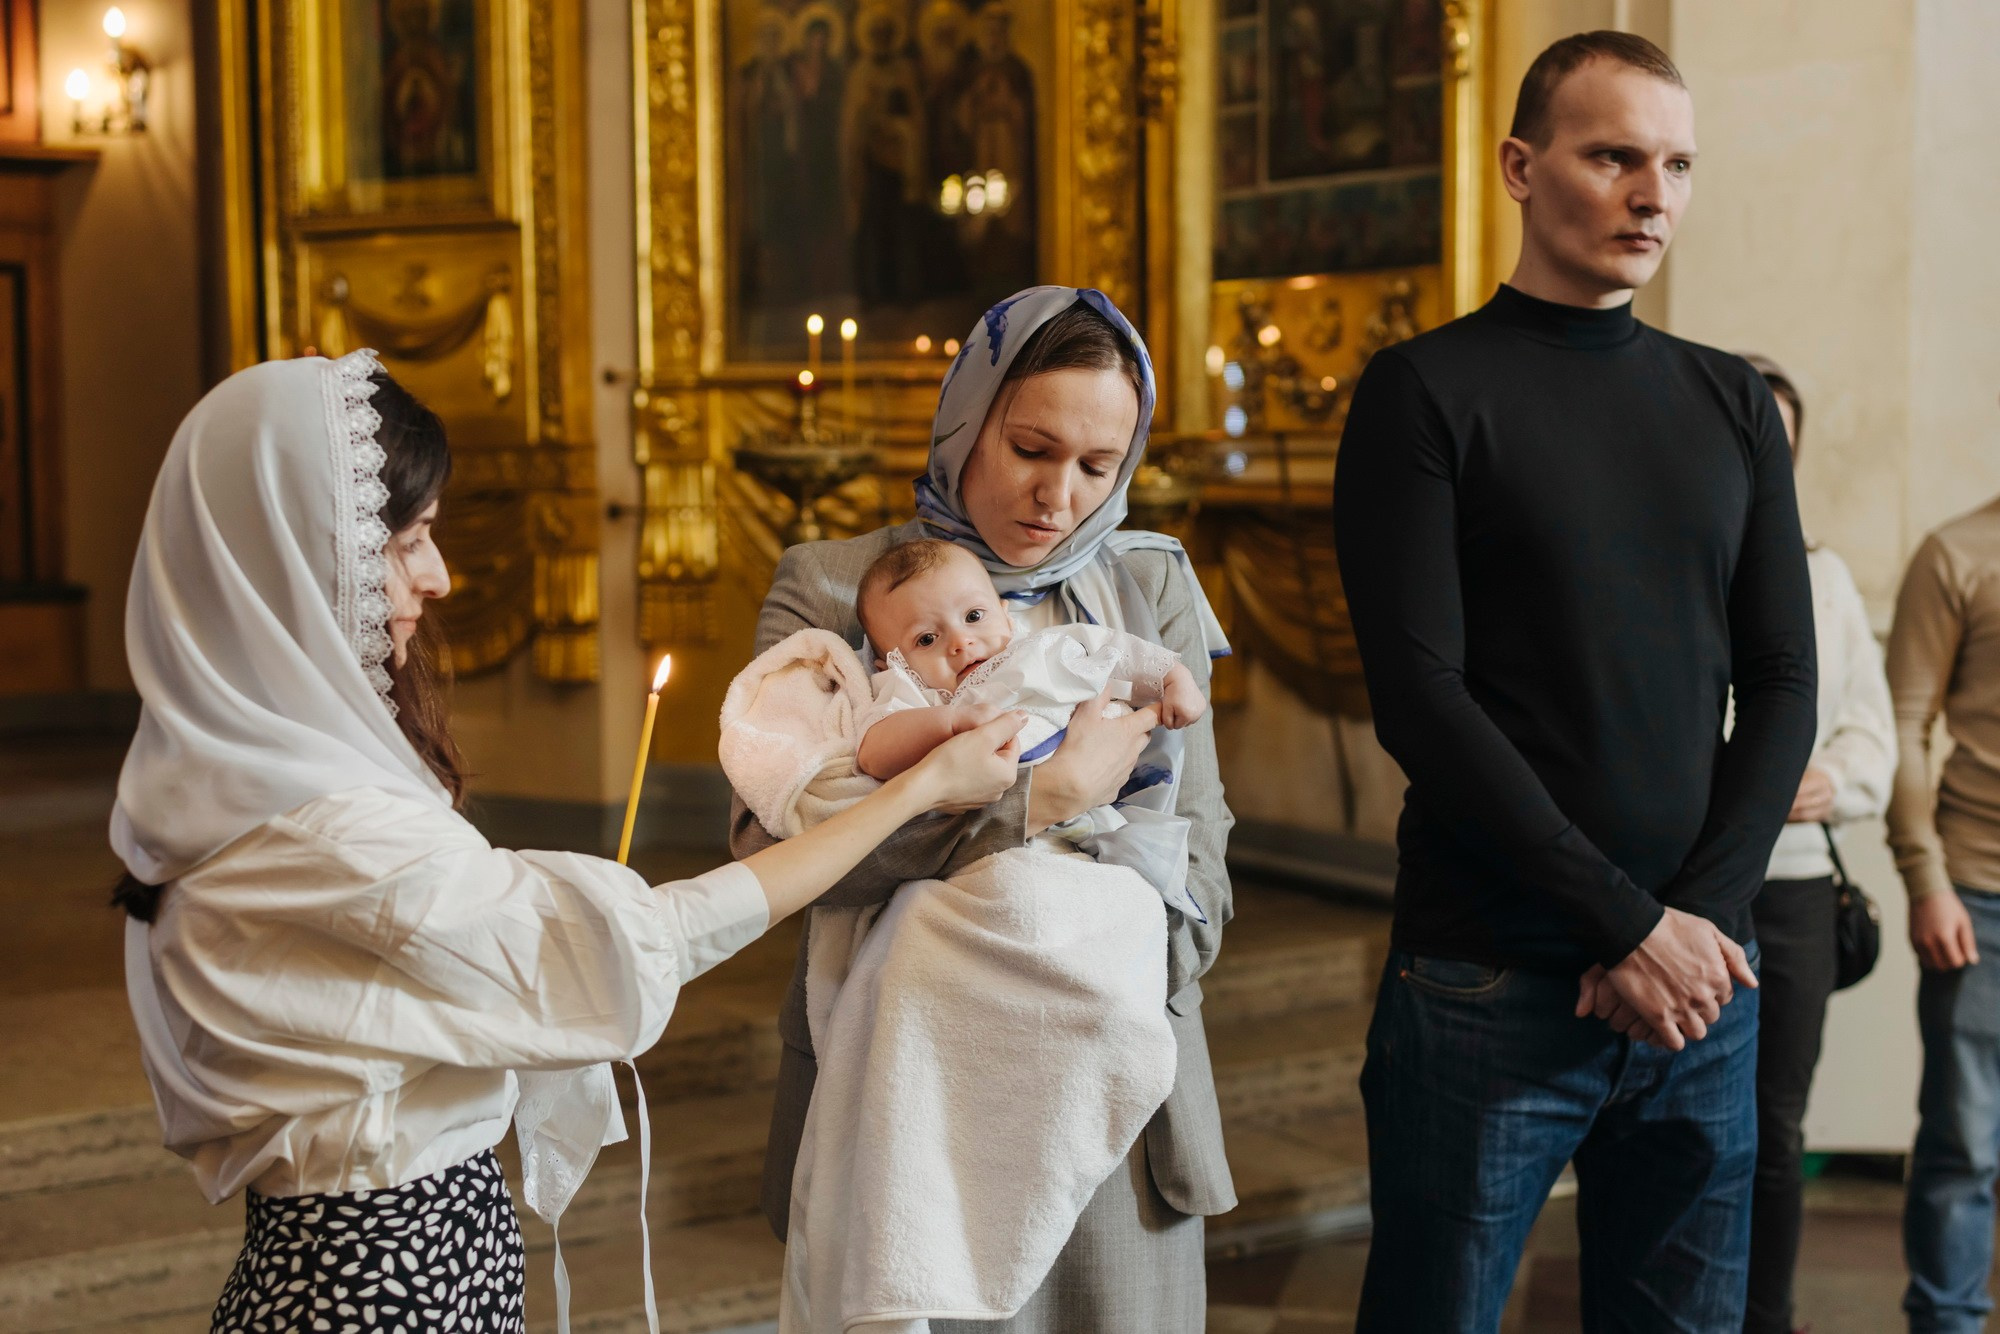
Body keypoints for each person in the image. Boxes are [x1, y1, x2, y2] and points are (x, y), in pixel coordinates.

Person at [110, 349, 1024, 1334]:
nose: (438, 573)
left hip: (407, 1253)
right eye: (407, 538)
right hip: (375, 1285)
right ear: (288, 552)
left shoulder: (250, 778)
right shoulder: (312, 825)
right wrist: (919, 787)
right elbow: (637, 938)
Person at [1332, 32, 1818, 1332]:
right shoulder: (1424, 392)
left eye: (1675, 164)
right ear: (1520, 165)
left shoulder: (1728, 403)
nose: (1650, 192)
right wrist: (1624, 925)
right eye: (1612, 156)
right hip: (1489, 981)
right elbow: (1423, 698)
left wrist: (1692, 927)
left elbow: (1782, 680)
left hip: (1701, 988)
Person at [730, 286, 1236, 1332]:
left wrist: (1120, 954)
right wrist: (1038, 804)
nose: (1059, 495)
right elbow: (769, 846)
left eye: (1097, 466)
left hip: (1115, 1098)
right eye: (1030, 447)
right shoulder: (837, 589)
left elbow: (1205, 848)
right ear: (967, 417)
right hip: (901, 1099)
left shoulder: (1149, 586)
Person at [1737, 355, 1895, 1334]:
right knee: (1658, 1126)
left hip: (1790, 890)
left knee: (1772, 1129)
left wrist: (1828, 779)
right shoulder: (1662, 560)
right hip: (1670, 887)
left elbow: (1871, 728)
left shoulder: (1822, 577)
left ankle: (1763, 1317)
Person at [1888, 485, 2000, 1334]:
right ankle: (1948, 1322)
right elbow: (1906, 720)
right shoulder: (1956, 553)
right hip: (1978, 891)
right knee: (1965, 1143)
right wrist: (1926, 878)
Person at [853, 536, 1208, 779]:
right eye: (927, 639)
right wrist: (951, 721)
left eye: (974, 616)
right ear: (891, 666)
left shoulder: (1041, 646)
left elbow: (1115, 649)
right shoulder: (914, 698)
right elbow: (873, 753)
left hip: (1094, 792)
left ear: (1006, 616)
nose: (961, 642)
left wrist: (1175, 677)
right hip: (989, 822)